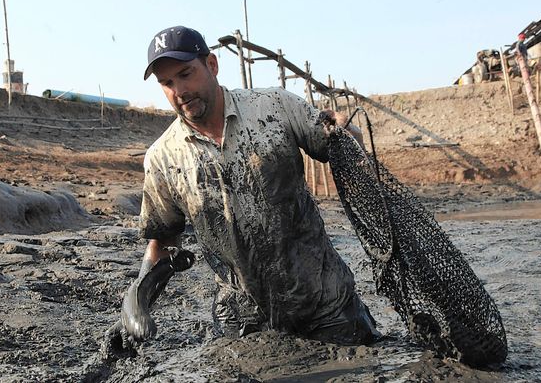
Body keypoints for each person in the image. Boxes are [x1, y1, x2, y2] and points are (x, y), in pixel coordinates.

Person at [106, 25, 378, 354]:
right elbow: (163, 242)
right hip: (243, 321)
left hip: (326, 305)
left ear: (212, 65)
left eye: (186, 74)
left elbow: (340, 144)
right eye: (167, 83)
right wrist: (135, 304)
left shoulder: (274, 107)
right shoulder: (163, 159)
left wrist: (346, 131)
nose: (179, 90)